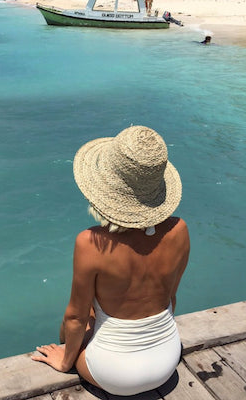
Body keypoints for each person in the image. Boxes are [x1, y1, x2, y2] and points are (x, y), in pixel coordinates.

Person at [31, 126, 190, 396]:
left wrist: (66, 362)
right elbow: (170, 299)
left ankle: (68, 351)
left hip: (112, 374)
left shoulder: (90, 242)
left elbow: (75, 317)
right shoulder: (180, 229)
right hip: (167, 359)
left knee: (80, 318)